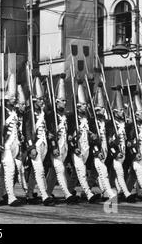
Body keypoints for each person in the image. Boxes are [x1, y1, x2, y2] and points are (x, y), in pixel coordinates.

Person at [45, 74, 79, 204]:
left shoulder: (66, 116)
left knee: (54, 172)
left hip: (64, 146)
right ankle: (67, 194)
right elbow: (51, 133)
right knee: (60, 169)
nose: (64, 103)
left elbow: (69, 129)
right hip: (55, 146)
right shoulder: (51, 116)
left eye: (65, 101)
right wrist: (54, 147)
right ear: (56, 101)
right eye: (61, 100)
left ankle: (47, 193)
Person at [0, 72, 23, 207]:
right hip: (5, 143)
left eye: (15, 96)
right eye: (11, 96)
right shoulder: (0, 110)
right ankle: (10, 196)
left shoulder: (14, 111)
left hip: (14, 143)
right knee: (9, 169)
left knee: (5, 172)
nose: (14, 98)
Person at [66, 80, 101, 203]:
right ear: (77, 106)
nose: (85, 106)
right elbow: (68, 135)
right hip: (77, 148)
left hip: (86, 148)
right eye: (82, 104)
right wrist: (73, 145)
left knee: (76, 173)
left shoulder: (89, 119)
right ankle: (88, 193)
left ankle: (69, 192)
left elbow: (91, 134)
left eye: (85, 104)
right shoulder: (71, 118)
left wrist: (93, 137)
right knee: (80, 170)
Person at [25, 75, 55, 206]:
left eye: (43, 99)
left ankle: (29, 194)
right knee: (39, 170)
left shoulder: (43, 113)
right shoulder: (29, 113)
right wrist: (31, 148)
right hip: (35, 144)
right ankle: (44, 195)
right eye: (39, 99)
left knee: (34, 171)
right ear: (34, 100)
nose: (42, 101)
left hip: (44, 144)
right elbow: (27, 132)